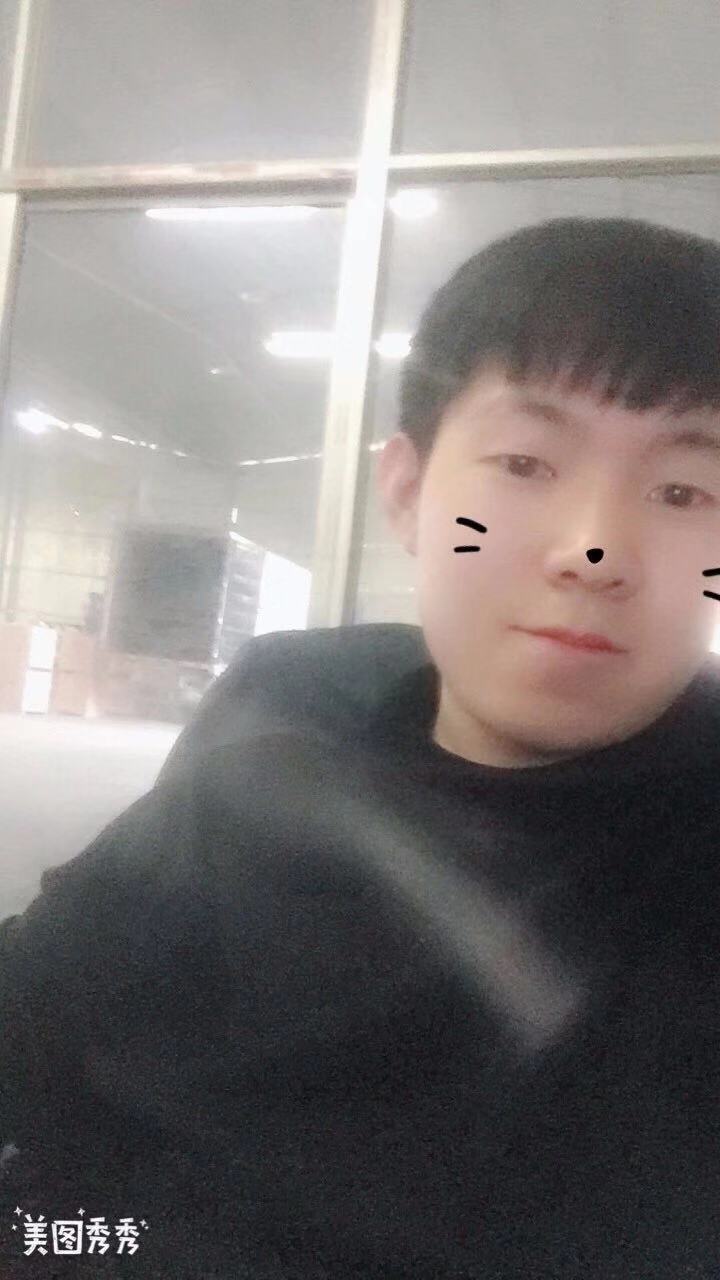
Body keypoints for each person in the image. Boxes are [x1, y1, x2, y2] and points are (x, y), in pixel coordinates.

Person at [2, 215, 720, 1279]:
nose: (595, 549)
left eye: (683, 490)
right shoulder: (270, 750)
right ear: (409, 493)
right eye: (526, 462)